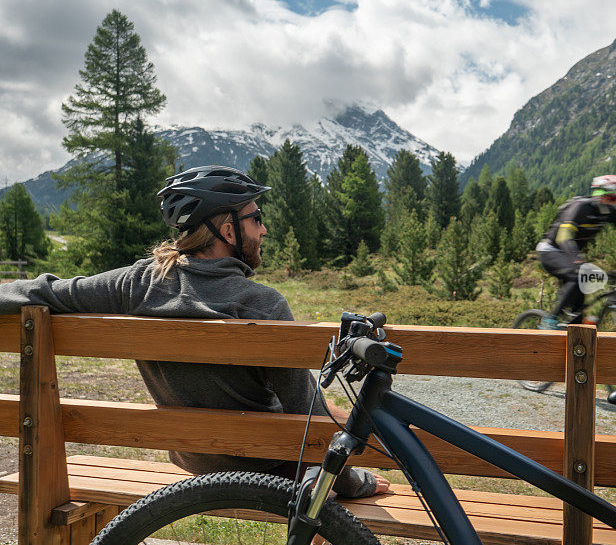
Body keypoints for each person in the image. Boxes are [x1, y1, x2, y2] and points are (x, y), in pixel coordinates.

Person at [0, 165, 388, 503]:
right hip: (269, 469)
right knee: (331, 416)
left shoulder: (138, 283)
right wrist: (357, 482)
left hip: (193, 459)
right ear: (227, 230)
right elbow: (309, 424)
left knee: (326, 404)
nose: (264, 228)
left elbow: (46, 291)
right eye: (256, 217)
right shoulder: (262, 305)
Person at [534, 174, 616, 329]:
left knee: (577, 319)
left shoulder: (611, 213)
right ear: (599, 193)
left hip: (570, 257)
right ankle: (549, 321)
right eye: (612, 198)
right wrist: (576, 259)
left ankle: (570, 332)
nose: (614, 203)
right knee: (579, 275)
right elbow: (564, 237)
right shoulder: (581, 207)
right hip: (550, 250)